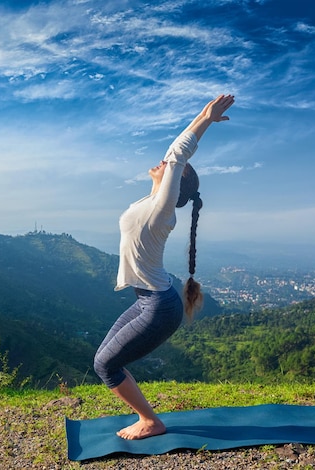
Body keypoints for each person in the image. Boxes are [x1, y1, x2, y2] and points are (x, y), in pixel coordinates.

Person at [93, 94, 235, 440]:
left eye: (172, 169)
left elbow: (177, 153)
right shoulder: (151, 201)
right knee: (105, 359)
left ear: (177, 183)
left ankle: (151, 421)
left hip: (159, 306)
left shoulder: (162, 210)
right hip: (150, 300)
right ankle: (146, 416)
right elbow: (173, 157)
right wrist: (201, 117)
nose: (163, 162)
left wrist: (204, 120)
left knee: (105, 365)